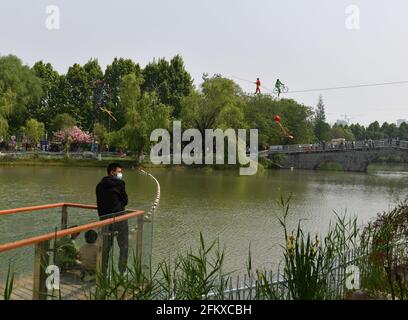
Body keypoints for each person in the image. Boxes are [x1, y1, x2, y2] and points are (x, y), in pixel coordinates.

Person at [96, 163, 129, 275]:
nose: (120, 174)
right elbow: (125, 201)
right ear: (112, 172)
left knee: (105, 249)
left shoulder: (99, 185)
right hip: (120, 219)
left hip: (105, 220)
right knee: (124, 247)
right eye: (119, 172)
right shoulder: (119, 184)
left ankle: (103, 274)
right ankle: (121, 273)